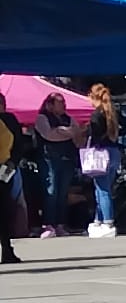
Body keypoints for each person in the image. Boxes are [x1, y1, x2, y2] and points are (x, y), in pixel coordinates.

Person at [80, 84, 123, 238]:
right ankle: (98, 220)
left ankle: (108, 222)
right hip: (114, 153)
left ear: (93, 96)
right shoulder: (112, 113)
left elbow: (94, 135)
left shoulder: (96, 115)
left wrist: (86, 132)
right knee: (103, 188)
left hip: (100, 153)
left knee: (102, 190)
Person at [33, 93, 77, 238]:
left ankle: (60, 224)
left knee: (63, 192)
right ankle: (48, 224)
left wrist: (60, 131)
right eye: (60, 102)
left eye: (64, 102)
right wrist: (65, 132)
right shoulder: (42, 118)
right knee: (51, 191)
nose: (64, 105)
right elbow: (48, 135)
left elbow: (77, 133)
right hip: (49, 159)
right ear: (50, 105)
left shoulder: (69, 118)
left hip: (67, 159)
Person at [0, 113, 22, 263]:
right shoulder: (6, 121)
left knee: (4, 211)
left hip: (3, 168)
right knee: (4, 211)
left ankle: (7, 250)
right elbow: (13, 141)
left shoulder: (6, 121)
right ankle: (7, 250)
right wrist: (12, 161)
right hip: (3, 168)